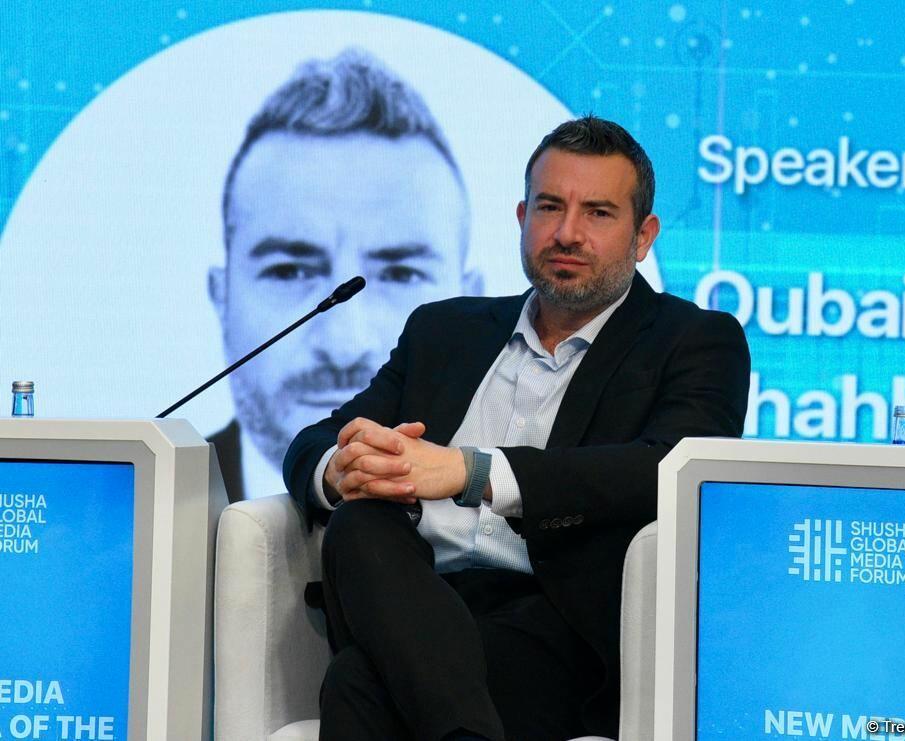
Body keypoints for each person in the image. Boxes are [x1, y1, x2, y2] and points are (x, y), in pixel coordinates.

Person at [284, 116, 750, 740]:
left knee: (355, 683)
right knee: (360, 523)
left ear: (643, 237)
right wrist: (340, 470)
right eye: (550, 207)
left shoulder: (694, 341)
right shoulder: (444, 331)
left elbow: (664, 469)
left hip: (555, 620)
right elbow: (319, 440)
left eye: (598, 213)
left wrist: (470, 471)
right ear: (522, 217)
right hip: (413, 593)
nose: (567, 233)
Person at [207, 48, 479, 503]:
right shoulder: (150, 496)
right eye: (289, 271)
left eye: (401, 273)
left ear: (469, 304)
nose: (343, 346)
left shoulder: (504, 499)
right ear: (222, 298)